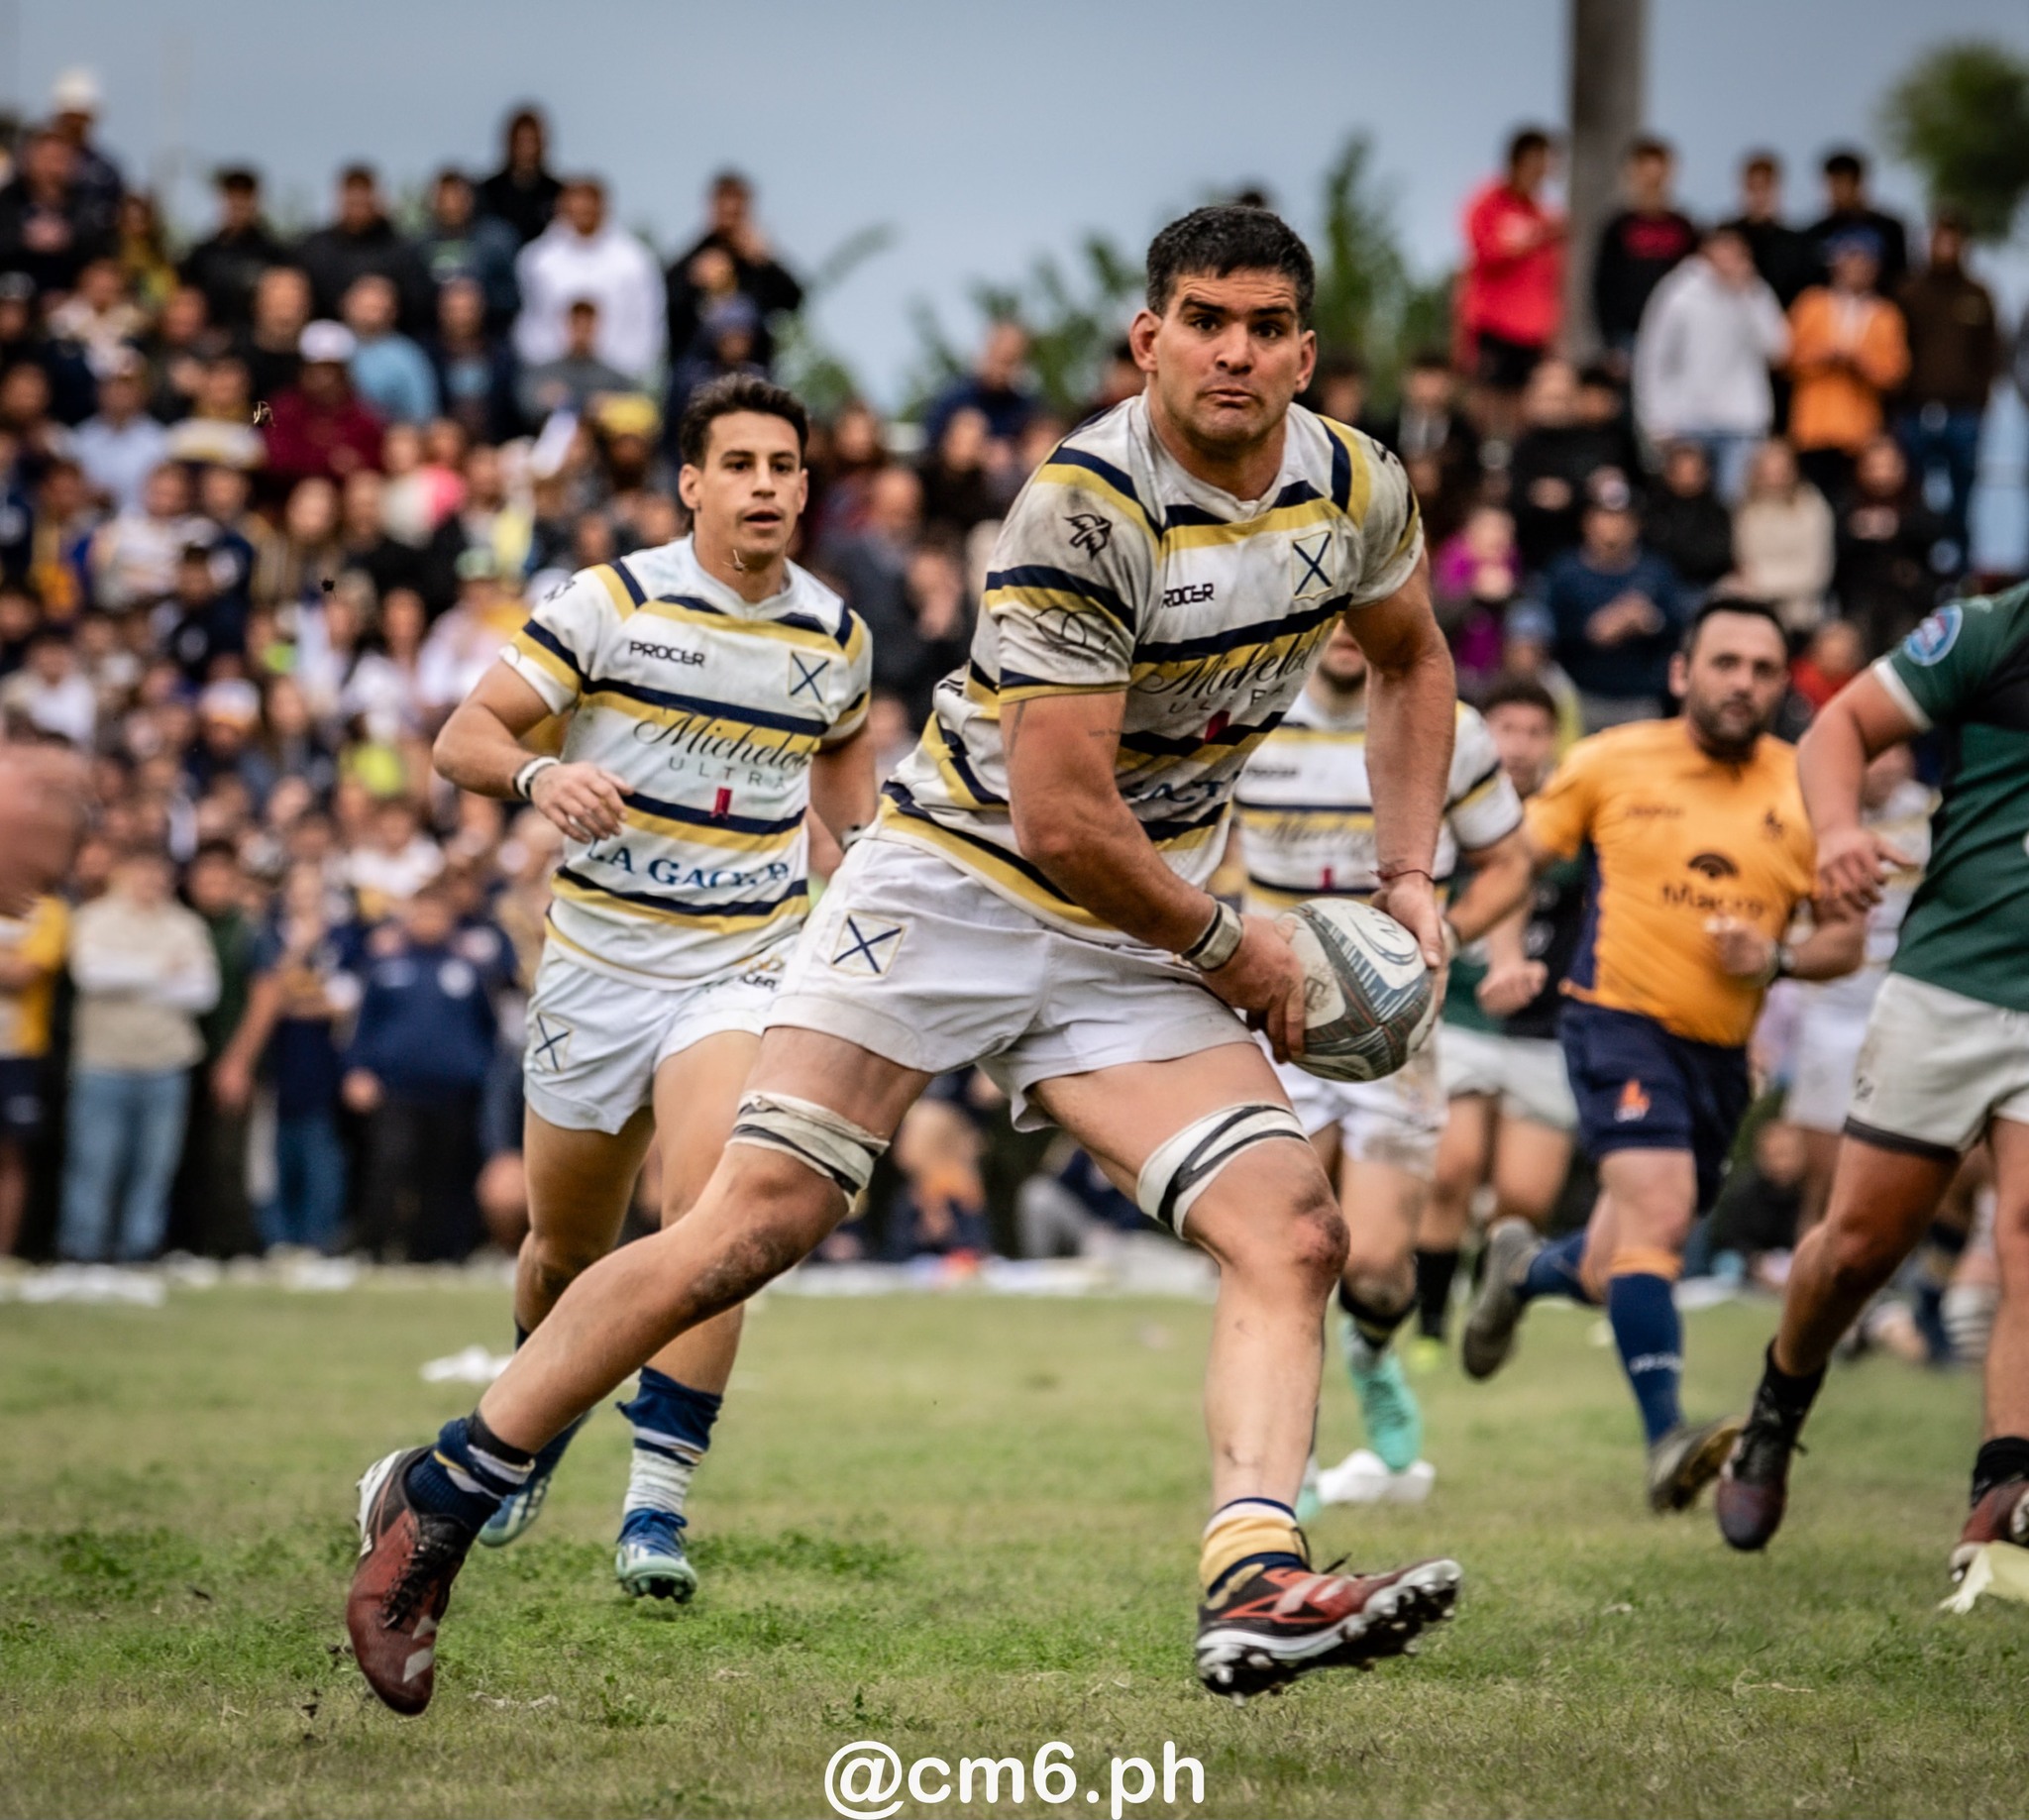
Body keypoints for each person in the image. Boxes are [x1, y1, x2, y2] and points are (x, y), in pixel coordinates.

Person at [345, 204, 1464, 1716]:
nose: (1237, 352)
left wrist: (1408, 875)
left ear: (1306, 352)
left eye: (1268, 327)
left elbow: (1411, 655)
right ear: (1150, 339)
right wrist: (1240, 948)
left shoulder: (1353, 484)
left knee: (1295, 1229)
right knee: (753, 1223)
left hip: (1138, 913)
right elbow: (1064, 817)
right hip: (956, 882)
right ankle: (443, 1493)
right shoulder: (1081, 510)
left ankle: (1253, 1574)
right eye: (1206, 319)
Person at [416, 372, 873, 1599]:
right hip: (599, 970)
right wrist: (535, 780)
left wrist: (871, 867)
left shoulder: (836, 637)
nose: (767, 485)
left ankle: (657, 1509)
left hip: (739, 964)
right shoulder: (608, 600)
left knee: (714, 1218)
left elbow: (840, 782)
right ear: (692, 483)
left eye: (785, 464)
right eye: (741, 464)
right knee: (564, 1247)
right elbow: (464, 736)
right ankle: (528, 1418)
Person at [1459, 599, 1864, 1511]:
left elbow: (1845, 937)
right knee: (1663, 1212)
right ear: (1683, 672)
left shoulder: (1806, 787)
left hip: (1722, 1058)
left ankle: (1526, 1272)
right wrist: (1462, 939)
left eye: (1763, 669)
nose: (1743, 684)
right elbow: (1520, 863)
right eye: (1725, 663)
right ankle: (1666, 1437)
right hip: (1615, 1022)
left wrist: (1781, 958)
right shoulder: (1611, 759)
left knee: (1622, 1256)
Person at [1715, 584, 2029, 1576]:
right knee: (1852, 1251)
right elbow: (1837, 726)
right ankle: (1777, 1401)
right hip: (1947, 980)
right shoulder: (1994, 630)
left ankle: (1998, 1502)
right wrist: (1839, 832)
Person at [1231, 622, 1530, 1505]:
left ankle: (1370, 1347)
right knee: (1288, 1251)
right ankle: (1294, 1466)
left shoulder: (1454, 728)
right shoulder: (1248, 708)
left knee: (1372, 1269)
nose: (1356, 626)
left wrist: (1440, 944)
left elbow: (1509, 861)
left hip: (1398, 1037)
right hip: (1276, 1021)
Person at [1425, 678, 1585, 1345]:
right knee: (1451, 1168)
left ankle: (1492, 1308)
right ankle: (1430, 1326)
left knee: (1523, 1201)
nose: (1519, 745)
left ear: (1553, 741)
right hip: (1460, 1015)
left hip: (1543, 1028)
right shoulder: (1441, 802)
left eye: (1534, 731)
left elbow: (1523, 871)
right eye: (1505, 729)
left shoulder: (1576, 813)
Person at [1774, 742, 1933, 1232]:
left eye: (1895, 752)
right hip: (1826, 1009)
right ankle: (1806, 1295)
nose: (1887, 765)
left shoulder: (1934, 816)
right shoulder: (1813, 813)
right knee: (1826, 1177)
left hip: (1903, 1011)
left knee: (1898, 1167)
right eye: (1874, 754)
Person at [57, 844, 221, 1262]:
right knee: (94, 1163)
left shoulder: (185, 925)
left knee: (154, 1166)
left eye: (158, 874)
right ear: (123, 874)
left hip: (165, 1061)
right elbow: (92, 974)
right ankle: (83, 1249)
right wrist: (159, 969)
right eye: (142, 872)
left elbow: (202, 991)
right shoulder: (93, 918)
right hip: (103, 1060)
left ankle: (138, 1249)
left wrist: (129, 971)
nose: (151, 882)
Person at [1633, 226, 1788, 504]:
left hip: (1742, 422)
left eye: (1737, 252)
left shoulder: (1755, 292)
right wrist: (1656, 419)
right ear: (1706, 253)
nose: (1729, 259)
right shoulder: (1679, 293)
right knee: (1687, 504)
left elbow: (1778, 349)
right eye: (1723, 250)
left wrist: (1748, 295)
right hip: (1689, 420)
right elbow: (1654, 359)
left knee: (1733, 507)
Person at [1541, 471, 1684, 729]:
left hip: (1640, 698)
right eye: (1604, 516)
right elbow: (1548, 634)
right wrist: (1594, 630)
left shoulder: (1656, 571)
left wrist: (1649, 622)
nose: (1612, 525)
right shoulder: (1567, 571)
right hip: (1580, 694)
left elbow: (1677, 630)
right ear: (1587, 522)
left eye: (1621, 518)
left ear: (1635, 525)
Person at [1894, 212, 2001, 557]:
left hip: (1963, 413)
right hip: (1916, 410)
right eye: (1939, 239)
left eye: (1953, 240)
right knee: (1914, 497)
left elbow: (1991, 354)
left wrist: (1980, 403)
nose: (1945, 247)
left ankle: (1961, 571)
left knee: (1963, 499)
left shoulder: (1978, 294)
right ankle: (1917, 565)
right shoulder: (1910, 292)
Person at [1457, 127, 1563, 445]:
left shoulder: (1547, 213)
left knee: (1526, 411)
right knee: (1486, 404)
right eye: (1537, 161)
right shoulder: (1488, 203)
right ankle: (1482, 463)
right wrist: (1537, 237)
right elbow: (1485, 253)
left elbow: (1552, 279)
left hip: (1532, 332)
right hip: (1493, 324)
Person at [1786, 234, 1910, 505]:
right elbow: (1788, 358)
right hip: (1814, 426)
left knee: (1852, 503)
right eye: (1849, 262)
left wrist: (1861, 362)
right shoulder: (1811, 304)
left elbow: (1895, 373)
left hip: (1860, 430)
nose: (1856, 270)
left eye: (1864, 264)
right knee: (1813, 501)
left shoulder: (1885, 314)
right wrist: (1824, 355)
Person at [513, 178, 664, 385]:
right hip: (555, 380)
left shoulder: (634, 260)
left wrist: (634, 373)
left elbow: (647, 320)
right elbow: (533, 321)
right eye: (575, 207)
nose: (583, 213)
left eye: (589, 207)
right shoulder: (538, 260)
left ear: (603, 207)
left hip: (620, 376)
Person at [664, 170, 804, 373]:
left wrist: (765, 261)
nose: (730, 219)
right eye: (724, 210)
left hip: (753, 372)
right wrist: (694, 280)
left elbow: (794, 300)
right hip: (695, 375)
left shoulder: (759, 263)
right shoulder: (693, 259)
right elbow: (665, 302)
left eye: (736, 213)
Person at [1591, 137, 1697, 368]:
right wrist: (1610, 340)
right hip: (1628, 336)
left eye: (1658, 175)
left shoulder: (1685, 227)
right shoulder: (1618, 226)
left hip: (1677, 337)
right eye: (1645, 173)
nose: (1651, 181)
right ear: (1633, 174)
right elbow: (1603, 285)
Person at [0, 888, 66, 1255]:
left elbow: (26, 972)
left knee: (12, 1155)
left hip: (18, 1049)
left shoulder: (47, 908)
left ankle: (3, 1253)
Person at [296, 164, 429, 332]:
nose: (358, 208)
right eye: (352, 201)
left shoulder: (401, 250)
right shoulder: (314, 248)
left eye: (363, 200)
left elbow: (419, 304)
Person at [264, 322, 383, 486]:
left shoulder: (365, 415)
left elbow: (378, 459)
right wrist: (326, 460)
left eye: (332, 371)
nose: (324, 380)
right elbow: (273, 459)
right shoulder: (281, 407)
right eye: (316, 371)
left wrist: (357, 464)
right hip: (287, 496)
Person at [1731, 439, 1833, 633]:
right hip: (1754, 606)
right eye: (1768, 469)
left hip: (1803, 610)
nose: (1774, 476)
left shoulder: (1812, 507)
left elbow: (1816, 571)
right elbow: (1744, 565)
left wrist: (1761, 581)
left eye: (1781, 469)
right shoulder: (1745, 509)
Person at [180, 167, 289, 332]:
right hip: (211, 341)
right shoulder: (203, 255)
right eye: (232, 197)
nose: (238, 204)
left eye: (245, 197)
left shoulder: (274, 254)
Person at [416, 168, 520, 333]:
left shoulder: (496, 240)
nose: (451, 205)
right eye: (445, 198)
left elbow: (513, 294)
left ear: (471, 198)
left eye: (457, 197)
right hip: (433, 338)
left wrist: (478, 300)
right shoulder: (420, 244)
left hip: (491, 335)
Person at [1720, 153, 1818, 313]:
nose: (1759, 196)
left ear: (1776, 189)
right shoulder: (1728, 238)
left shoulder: (1794, 243)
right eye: (1753, 187)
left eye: (1764, 187)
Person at [920, 320, 1039, 452]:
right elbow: (930, 447)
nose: (1002, 368)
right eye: (998, 357)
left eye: (1010, 361)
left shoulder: (1028, 411)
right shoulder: (951, 401)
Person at [342, 274, 438, 428]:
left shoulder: (407, 356)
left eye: (377, 308)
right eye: (364, 307)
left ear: (393, 312)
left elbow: (422, 415)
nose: (369, 316)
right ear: (346, 306)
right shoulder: (329, 344)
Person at [1805, 150, 1908, 293]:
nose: (1837, 192)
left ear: (1858, 184)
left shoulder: (1889, 229)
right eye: (1833, 185)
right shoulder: (1815, 235)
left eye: (1843, 183)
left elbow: (1900, 278)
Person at [1642, 443, 1735, 589]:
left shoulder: (1717, 512)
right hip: (1656, 585)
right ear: (1668, 473)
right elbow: (1646, 551)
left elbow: (1717, 555)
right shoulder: (1652, 508)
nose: (1687, 478)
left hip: (1702, 583)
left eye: (1693, 471)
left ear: (1705, 473)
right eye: (1680, 470)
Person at [476, 107, 562, 249]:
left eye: (532, 141)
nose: (527, 149)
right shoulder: (489, 190)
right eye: (521, 142)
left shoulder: (556, 192)